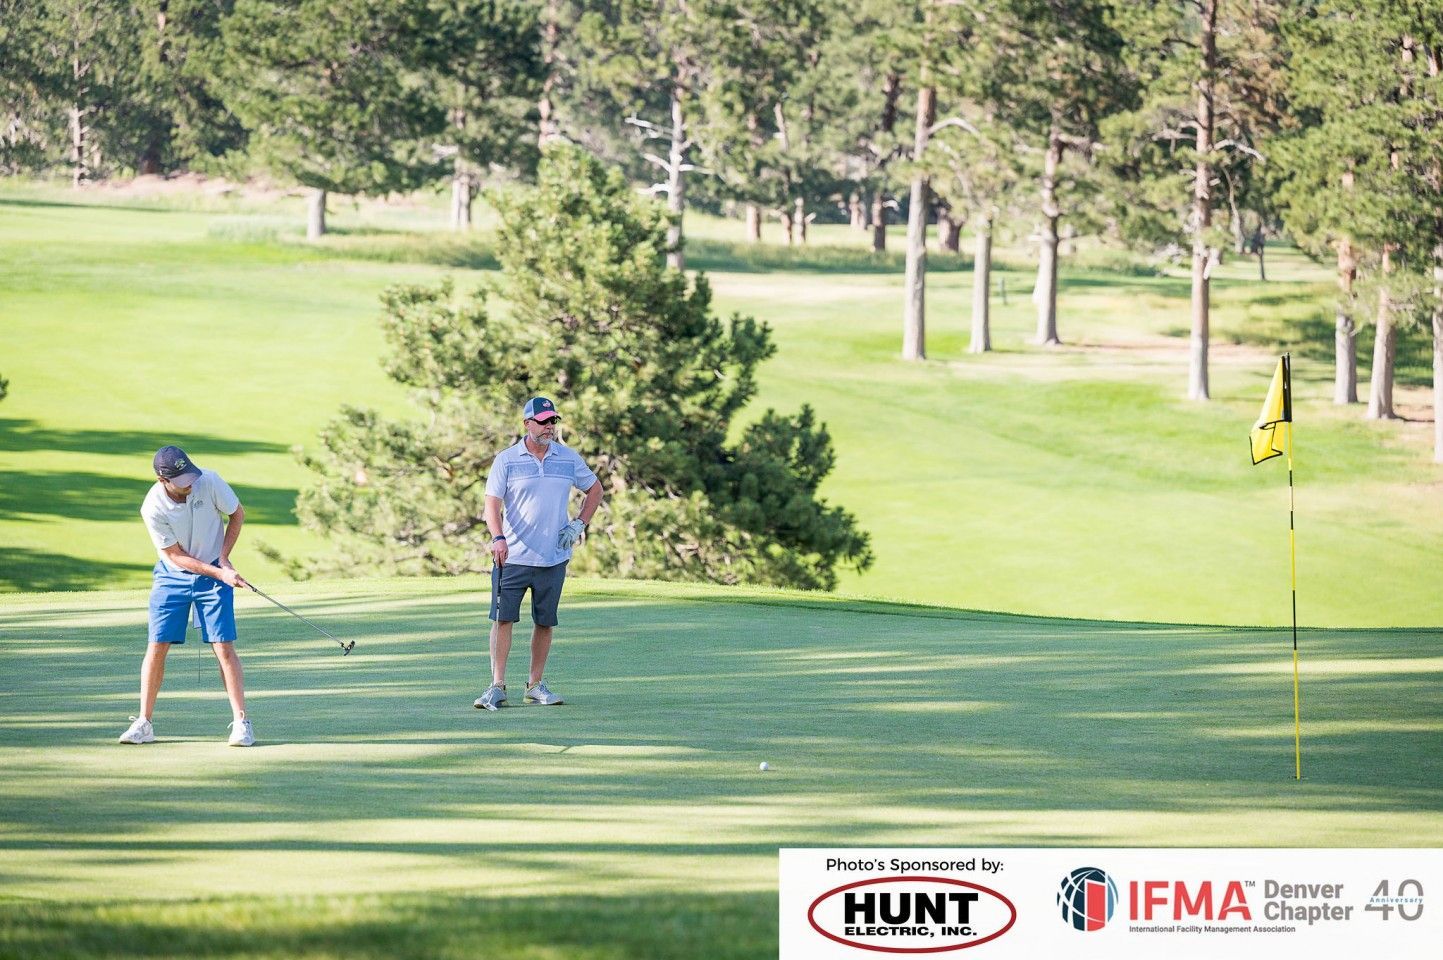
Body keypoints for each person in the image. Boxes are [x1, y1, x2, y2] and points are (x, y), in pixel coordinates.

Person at [118, 446, 255, 746]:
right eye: (181, 480)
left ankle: (242, 723)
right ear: (161, 480)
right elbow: (175, 556)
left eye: (189, 475)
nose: (189, 483)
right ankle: (144, 723)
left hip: (215, 569)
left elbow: (237, 514)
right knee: (157, 645)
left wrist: (224, 558)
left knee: (224, 647)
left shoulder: (209, 480)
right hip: (172, 575)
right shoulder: (152, 507)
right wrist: (219, 572)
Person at [475, 397, 603, 710]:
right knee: (503, 620)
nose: (549, 427)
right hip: (513, 556)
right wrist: (498, 537)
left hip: (553, 558)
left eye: (552, 421)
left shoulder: (567, 458)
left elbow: (595, 490)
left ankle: (534, 685)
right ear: (527, 424)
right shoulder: (507, 460)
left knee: (544, 622)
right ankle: (497, 685)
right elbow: (492, 503)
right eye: (543, 421)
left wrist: (578, 525)